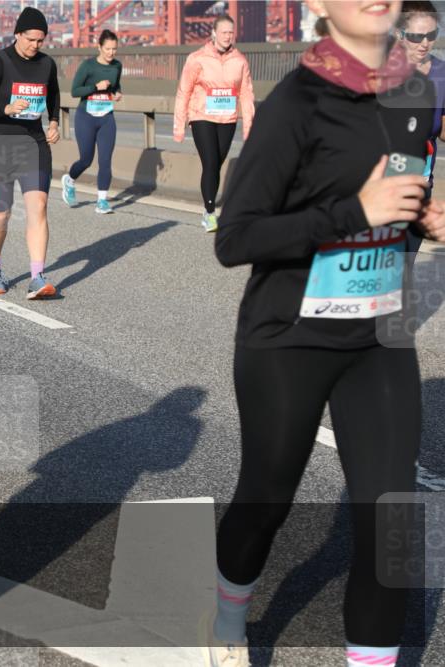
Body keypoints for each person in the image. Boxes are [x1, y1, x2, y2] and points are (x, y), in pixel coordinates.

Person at [209, 1, 445, 666]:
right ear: (316, 5)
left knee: (391, 524)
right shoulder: (297, 102)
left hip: (379, 339)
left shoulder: (416, 92)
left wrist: (422, 213)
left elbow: (396, 187)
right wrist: (354, 212)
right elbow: (236, 237)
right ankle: (229, 615)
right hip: (289, 339)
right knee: (265, 501)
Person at [0, 6, 60, 299]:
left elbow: (54, 96)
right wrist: (7, 108)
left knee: (38, 207)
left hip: (33, 145)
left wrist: (54, 122)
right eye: (30, 39)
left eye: (40, 40)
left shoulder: (47, 64)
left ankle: (37, 276)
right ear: (17, 34)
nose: (35, 46)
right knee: (1, 215)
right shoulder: (0, 62)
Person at [173, 14, 254, 232]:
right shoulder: (197, 58)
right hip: (202, 116)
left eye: (231, 32)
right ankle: (210, 213)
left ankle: (207, 207)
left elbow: (246, 94)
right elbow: (184, 92)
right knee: (210, 163)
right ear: (214, 33)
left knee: (216, 165)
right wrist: (179, 126)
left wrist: (249, 128)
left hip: (227, 118)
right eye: (224, 32)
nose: (228, 36)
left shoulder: (240, 61)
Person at [397, 0, 445, 257]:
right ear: (399, 34)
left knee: (405, 265)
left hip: (420, 184)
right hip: (376, 185)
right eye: (416, 36)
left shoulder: (442, 73)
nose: (425, 43)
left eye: (432, 35)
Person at [62, 29, 123, 215]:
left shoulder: (117, 66)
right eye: (107, 49)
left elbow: (116, 85)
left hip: (106, 117)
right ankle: (70, 181)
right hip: (86, 117)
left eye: (114, 49)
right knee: (86, 160)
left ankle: (102, 201)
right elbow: (75, 91)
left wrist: (117, 92)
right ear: (99, 47)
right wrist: (95, 87)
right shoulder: (88, 66)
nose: (111, 53)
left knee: (105, 161)